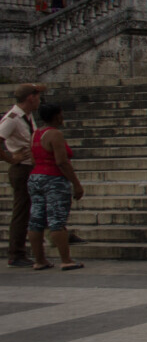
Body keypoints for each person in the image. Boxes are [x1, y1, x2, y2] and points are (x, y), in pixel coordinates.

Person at [27, 102, 83, 271]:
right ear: (57, 116)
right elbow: (61, 161)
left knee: (36, 219)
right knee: (57, 220)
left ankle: (39, 259)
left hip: (35, 177)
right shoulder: (55, 134)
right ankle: (66, 259)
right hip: (53, 178)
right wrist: (76, 183)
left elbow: (33, 158)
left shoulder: (36, 134)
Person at [1, 83, 44, 267]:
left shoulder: (26, 116)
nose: (39, 100)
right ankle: (16, 253)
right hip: (22, 168)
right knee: (22, 211)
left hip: (31, 166)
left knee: (39, 204)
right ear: (30, 98)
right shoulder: (13, 118)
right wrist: (11, 159)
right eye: (37, 97)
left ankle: (57, 234)